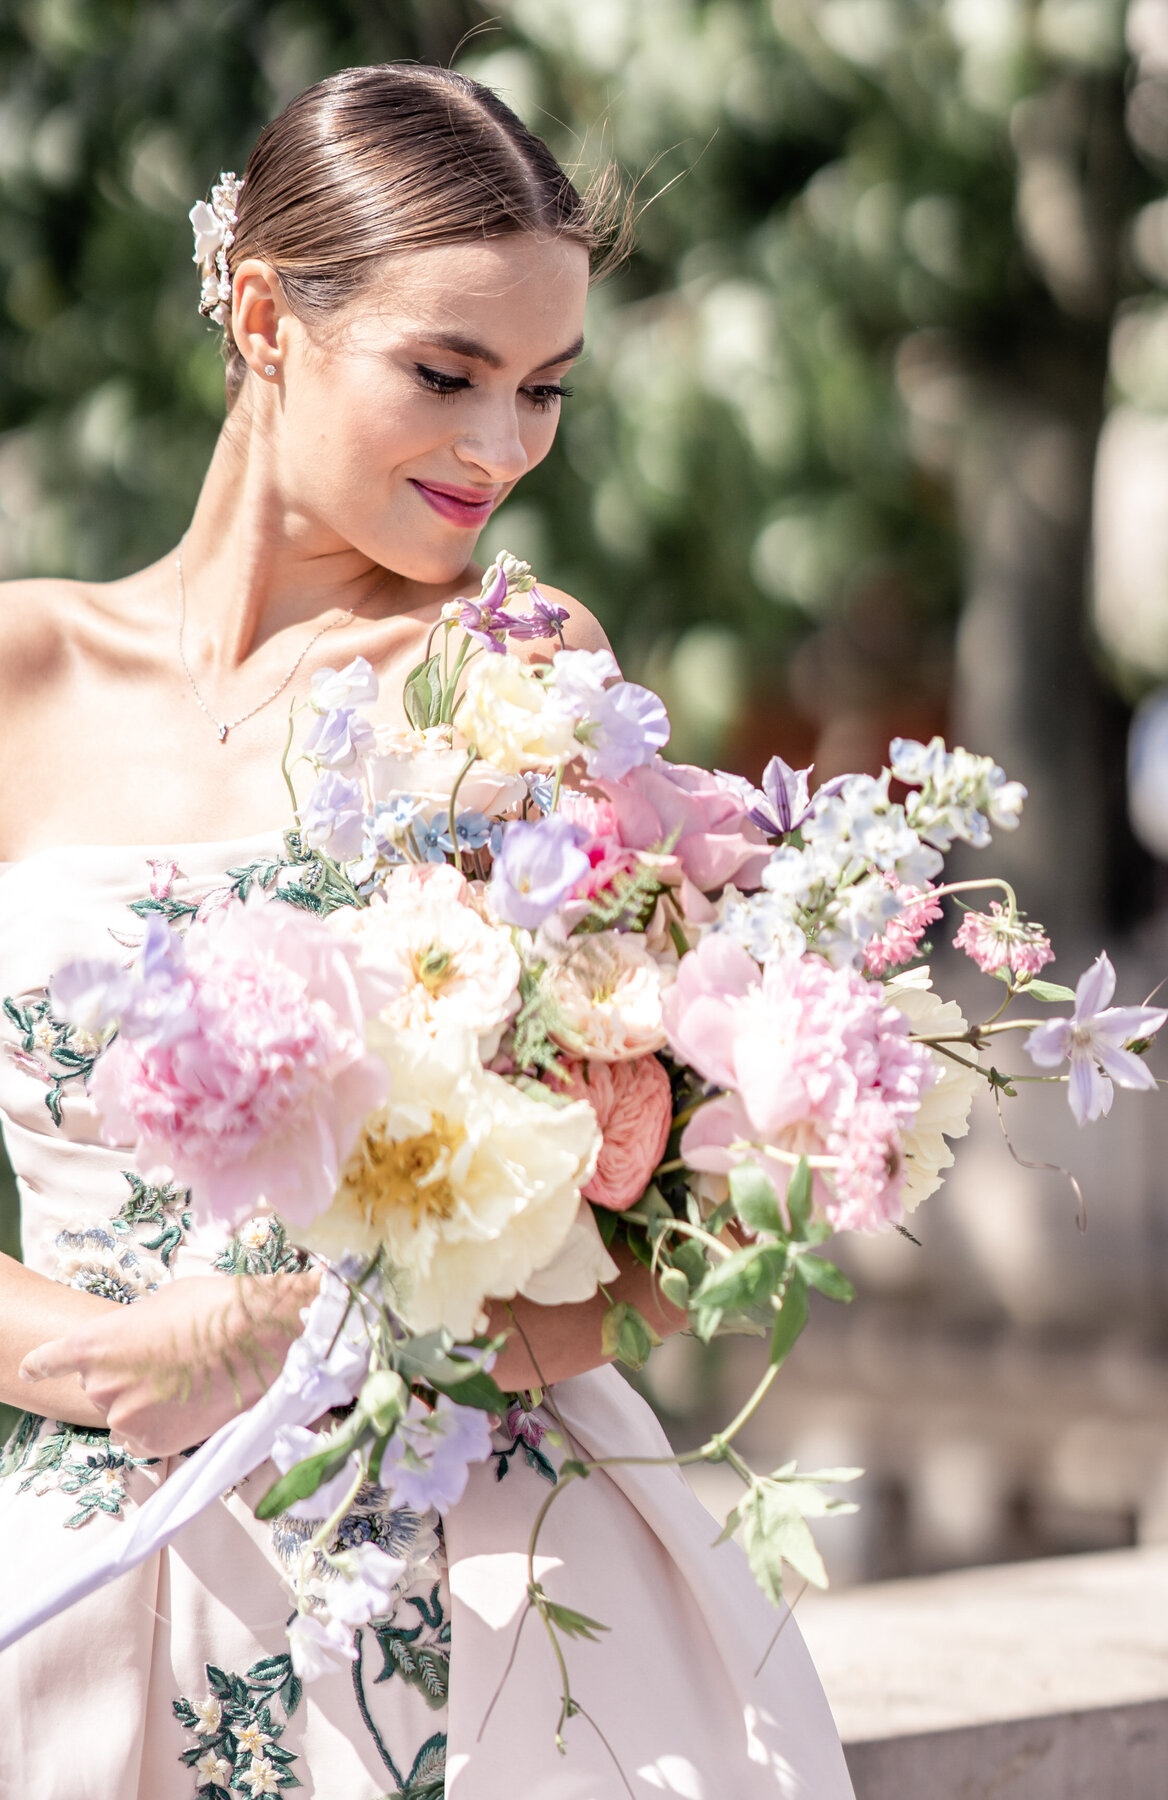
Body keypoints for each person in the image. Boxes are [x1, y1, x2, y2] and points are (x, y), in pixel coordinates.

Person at [0, 63, 855, 1800]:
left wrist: (309, 1336)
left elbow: (661, 1228)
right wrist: (82, 1353)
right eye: (444, 374)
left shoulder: (523, 677)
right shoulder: (19, 673)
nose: (500, 448)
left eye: (544, 389)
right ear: (262, 315)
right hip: (76, 1574)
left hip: (468, 1588)